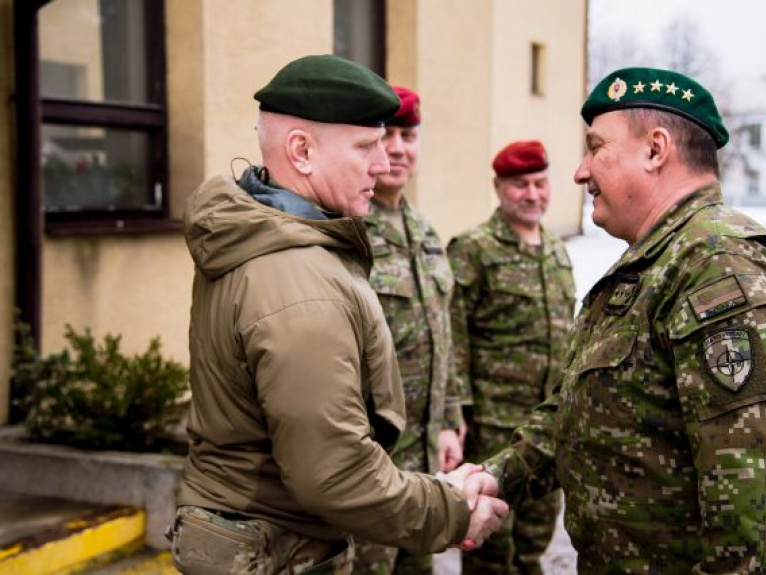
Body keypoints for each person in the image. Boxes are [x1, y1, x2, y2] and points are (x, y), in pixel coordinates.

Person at [462, 67, 766, 574]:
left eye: (596, 147)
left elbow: (759, 530)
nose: (580, 172)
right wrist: (501, 475)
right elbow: (582, 411)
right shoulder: (655, 262)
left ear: (655, 150)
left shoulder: (717, 266)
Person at [166, 54, 508, 575]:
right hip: (277, 547)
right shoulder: (297, 283)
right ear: (301, 151)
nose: (383, 163)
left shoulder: (274, 239)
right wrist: (452, 510)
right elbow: (334, 473)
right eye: (366, 146)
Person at [447, 140, 576, 574]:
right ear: (499, 187)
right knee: (488, 545)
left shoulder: (556, 250)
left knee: (534, 541)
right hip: (493, 427)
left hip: (545, 429)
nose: (532, 194)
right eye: (520, 184)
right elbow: (453, 336)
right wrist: (457, 414)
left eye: (540, 183)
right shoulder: (474, 249)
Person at [351, 86, 465, 575]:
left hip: (421, 454)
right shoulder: (347, 227)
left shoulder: (424, 229)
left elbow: (443, 330)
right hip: (371, 455)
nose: (398, 148)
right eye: (387, 135)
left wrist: (449, 419)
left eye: (409, 136)